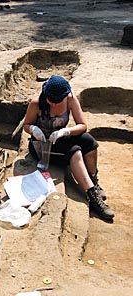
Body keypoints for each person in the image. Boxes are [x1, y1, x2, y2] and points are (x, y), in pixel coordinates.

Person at [23, 75, 114, 221]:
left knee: (89, 142)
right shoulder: (36, 103)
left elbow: (83, 125)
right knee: (75, 152)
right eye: (51, 101)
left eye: (58, 101)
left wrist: (66, 131)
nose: (54, 104)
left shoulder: (70, 99)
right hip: (42, 145)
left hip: (60, 138)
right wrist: (34, 129)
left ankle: (93, 181)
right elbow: (26, 125)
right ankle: (93, 198)